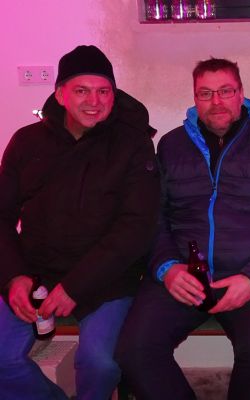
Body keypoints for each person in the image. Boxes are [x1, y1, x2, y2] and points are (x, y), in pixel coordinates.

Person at [116, 58, 250, 400]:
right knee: (134, 352)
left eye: (225, 91)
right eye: (205, 93)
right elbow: (153, 215)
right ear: (195, 98)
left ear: (241, 94)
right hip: (183, 274)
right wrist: (167, 268)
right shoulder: (171, 145)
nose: (216, 101)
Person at [0, 45, 160, 400]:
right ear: (60, 94)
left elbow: (136, 226)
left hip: (108, 278)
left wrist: (75, 286)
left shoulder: (133, 144)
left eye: (104, 91)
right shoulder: (26, 141)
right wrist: (13, 276)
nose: (94, 101)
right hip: (36, 272)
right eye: (82, 90)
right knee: (2, 360)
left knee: (100, 363)